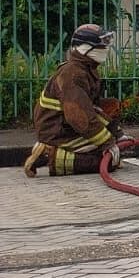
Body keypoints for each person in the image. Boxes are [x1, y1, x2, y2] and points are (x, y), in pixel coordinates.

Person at [24, 24, 131, 177]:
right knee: (107, 162)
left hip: (65, 126)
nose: (105, 48)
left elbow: (94, 108)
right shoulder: (73, 74)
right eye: (102, 43)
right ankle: (50, 155)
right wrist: (107, 142)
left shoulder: (85, 69)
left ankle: (51, 150)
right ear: (84, 48)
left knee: (111, 106)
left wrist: (117, 134)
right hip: (58, 131)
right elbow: (80, 116)